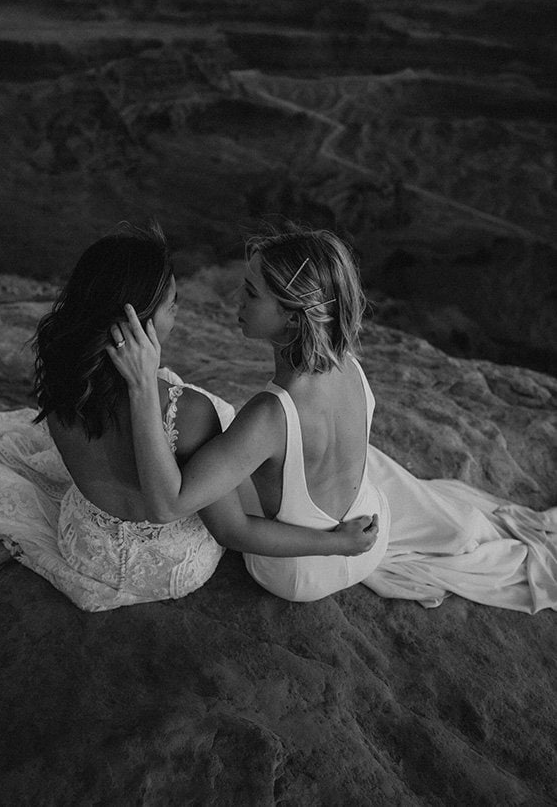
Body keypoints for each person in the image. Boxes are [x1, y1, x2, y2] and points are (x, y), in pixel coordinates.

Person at [0, 224, 378, 613]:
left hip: (84, 548)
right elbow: (209, 522)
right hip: (175, 565)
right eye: (173, 303)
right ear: (140, 323)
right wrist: (144, 390)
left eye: (250, 291)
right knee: (224, 422)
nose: (191, 306)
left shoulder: (60, 383)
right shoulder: (194, 412)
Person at [110, 224, 557, 613]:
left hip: (305, 571)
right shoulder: (348, 364)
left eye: (250, 292)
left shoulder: (269, 415)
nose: (236, 298)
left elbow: (175, 509)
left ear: (291, 314)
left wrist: (141, 386)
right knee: (351, 460)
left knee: (202, 440)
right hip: (371, 525)